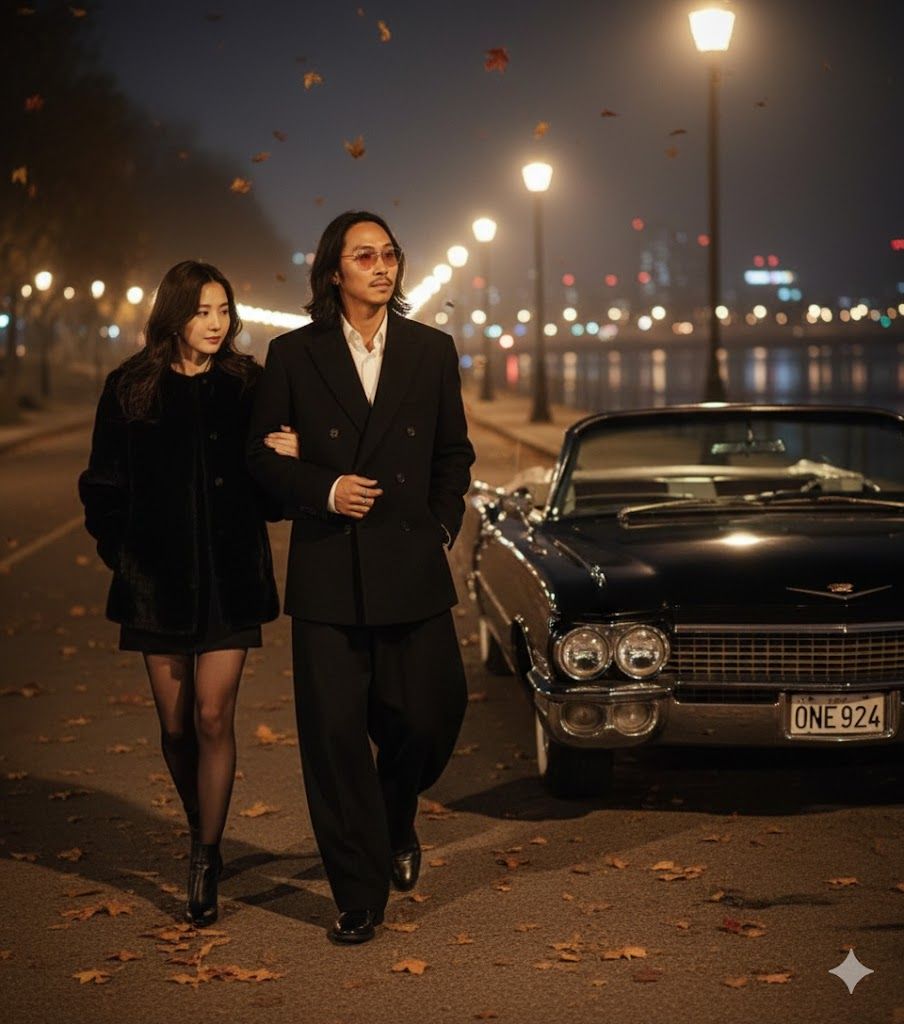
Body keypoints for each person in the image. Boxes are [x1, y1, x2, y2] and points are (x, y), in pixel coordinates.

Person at [247, 211, 475, 945]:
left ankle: (394, 815)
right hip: (330, 570)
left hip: (411, 564)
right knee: (335, 739)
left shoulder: (431, 349)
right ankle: (357, 895)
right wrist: (324, 488)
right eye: (365, 256)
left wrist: (440, 527)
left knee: (430, 716)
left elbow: (453, 455)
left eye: (390, 254)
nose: (382, 266)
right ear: (333, 272)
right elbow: (261, 458)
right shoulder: (292, 354)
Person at [79, 260, 299, 927]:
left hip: (231, 581)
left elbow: (270, 493)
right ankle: (203, 819)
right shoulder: (131, 387)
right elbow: (102, 485)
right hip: (158, 585)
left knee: (211, 716)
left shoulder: (246, 384)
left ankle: (204, 857)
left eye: (224, 310)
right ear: (174, 314)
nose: (216, 323)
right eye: (203, 311)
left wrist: (286, 461)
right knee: (175, 729)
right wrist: (125, 554)